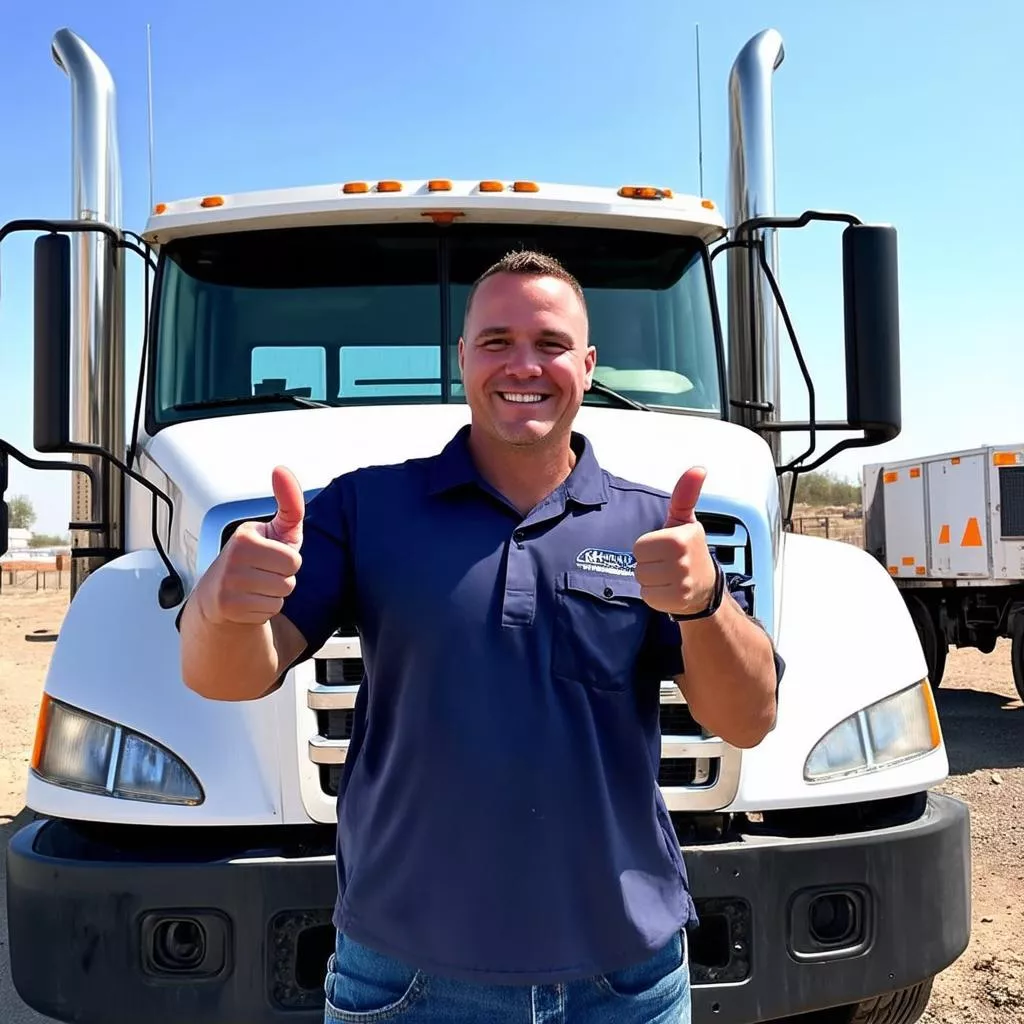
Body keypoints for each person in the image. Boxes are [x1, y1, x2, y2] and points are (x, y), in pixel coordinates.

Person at [179, 249, 784, 1024]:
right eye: (496, 341)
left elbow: (748, 719)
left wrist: (704, 606)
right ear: (461, 359)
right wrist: (222, 608)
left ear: (588, 363)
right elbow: (224, 676)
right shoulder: (367, 509)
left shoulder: (651, 525)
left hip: (625, 981)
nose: (523, 365)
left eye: (551, 344)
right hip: (405, 979)